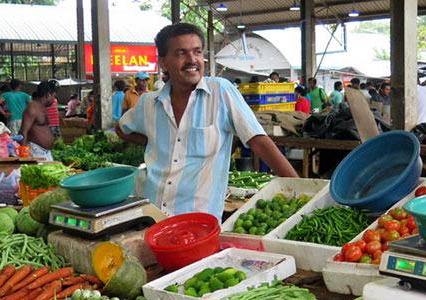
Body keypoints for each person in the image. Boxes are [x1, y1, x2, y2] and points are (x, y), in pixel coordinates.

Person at [116, 23, 298, 219]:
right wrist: (151, 141)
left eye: (197, 51)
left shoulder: (221, 92)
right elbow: (121, 128)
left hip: (198, 224)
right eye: (181, 53)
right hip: (151, 217)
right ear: (163, 62)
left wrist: (300, 188)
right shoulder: (149, 103)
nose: (192, 60)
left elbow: (258, 141)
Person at [20, 80, 57, 161]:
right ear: (48, 95)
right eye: (54, 96)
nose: (54, 99)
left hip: (45, 152)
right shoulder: (32, 107)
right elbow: (23, 131)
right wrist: (23, 153)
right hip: (36, 150)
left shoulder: (42, 107)